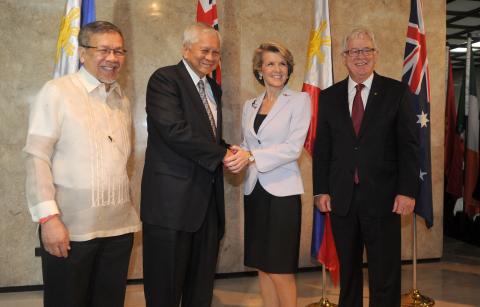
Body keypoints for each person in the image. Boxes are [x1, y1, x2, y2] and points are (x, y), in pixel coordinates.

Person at [24, 21, 141, 307]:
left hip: (118, 228)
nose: (112, 58)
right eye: (103, 50)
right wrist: (49, 219)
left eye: (118, 51)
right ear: (82, 53)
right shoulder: (57, 92)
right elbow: (37, 156)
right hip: (70, 229)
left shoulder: (121, 98)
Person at [312, 27, 420, 307]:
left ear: (376, 54)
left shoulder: (396, 92)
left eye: (366, 50)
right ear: (344, 56)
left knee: (384, 274)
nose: (361, 56)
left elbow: (409, 146)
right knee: (347, 272)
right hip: (342, 198)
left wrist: (407, 192)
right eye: (354, 51)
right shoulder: (328, 96)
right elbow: (322, 148)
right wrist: (320, 190)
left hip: (384, 199)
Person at [141, 22, 245, 307]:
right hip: (170, 207)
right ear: (186, 49)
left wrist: (228, 149)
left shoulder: (213, 87)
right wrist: (222, 155)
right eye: (205, 50)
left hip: (207, 205)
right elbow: (174, 130)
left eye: (216, 52)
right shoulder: (165, 80)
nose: (211, 57)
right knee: (165, 289)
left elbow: (204, 135)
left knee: (200, 290)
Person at [225, 42, 311, 307]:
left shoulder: (300, 100)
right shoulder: (250, 105)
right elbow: (250, 145)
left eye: (282, 63)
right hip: (255, 191)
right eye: (270, 63)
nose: (277, 69)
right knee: (262, 265)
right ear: (259, 69)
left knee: (281, 269)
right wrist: (238, 153)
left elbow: (293, 148)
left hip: (283, 194)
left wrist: (251, 157)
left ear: (288, 69)